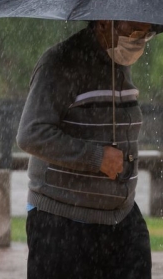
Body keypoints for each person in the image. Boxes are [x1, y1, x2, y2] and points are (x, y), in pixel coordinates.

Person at [17, 20, 155, 279]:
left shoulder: (119, 62)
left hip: (120, 217)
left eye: (146, 32)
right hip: (63, 222)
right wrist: (96, 157)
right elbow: (31, 135)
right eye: (133, 29)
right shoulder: (58, 63)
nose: (139, 37)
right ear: (104, 23)